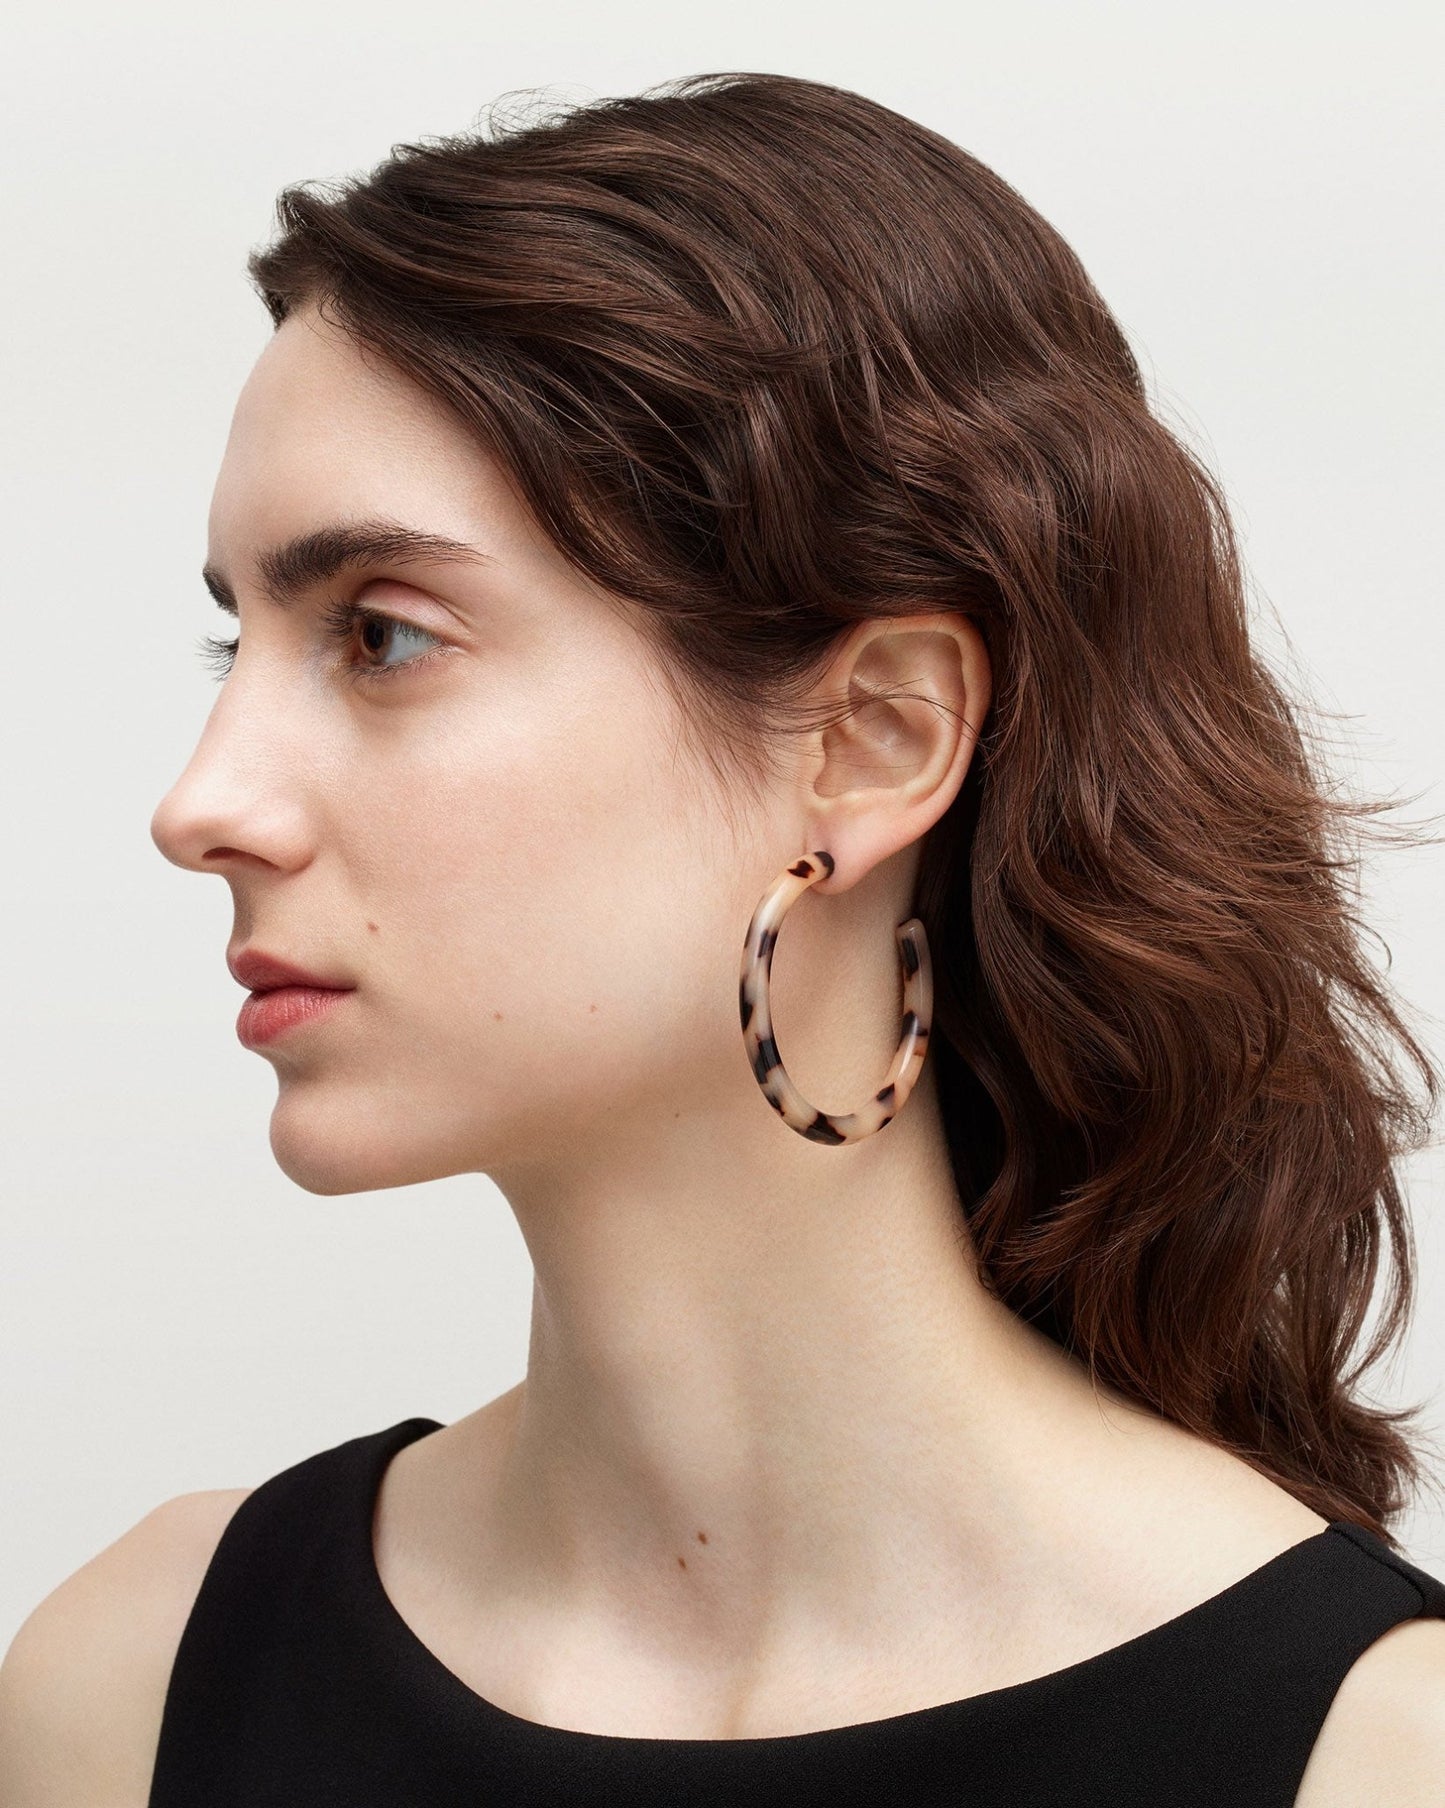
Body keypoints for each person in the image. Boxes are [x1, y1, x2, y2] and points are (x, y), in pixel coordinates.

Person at [3, 69, 1443, 1807]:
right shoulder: (136, 1687)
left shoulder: (1373, 1757)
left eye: (381, 636)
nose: (204, 804)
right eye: (235, 644)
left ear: (874, 739)